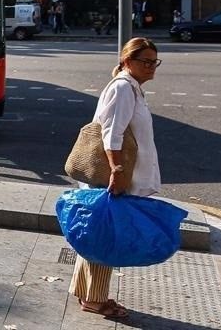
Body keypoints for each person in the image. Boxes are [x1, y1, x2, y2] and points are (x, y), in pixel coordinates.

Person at [68, 37, 162, 320]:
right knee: (104, 235)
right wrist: (117, 172)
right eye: (144, 61)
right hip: (110, 176)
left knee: (96, 231)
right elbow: (112, 133)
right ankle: (96, 300)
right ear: (126, 61)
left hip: (114, 174)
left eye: (154, 61)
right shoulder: (123, 88)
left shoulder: (131, 88)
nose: (150, 67)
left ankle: (84, 290)